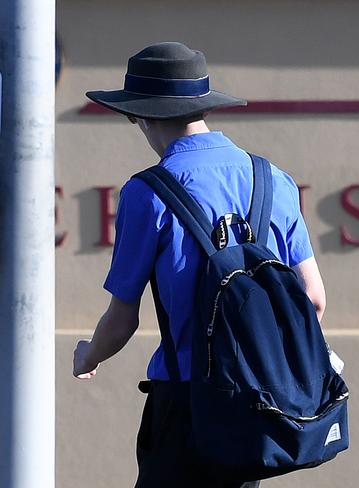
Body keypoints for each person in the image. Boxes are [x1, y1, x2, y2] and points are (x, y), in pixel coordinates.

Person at [72, 42, 326, 488]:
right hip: (257, 405)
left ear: (144, 116)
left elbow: (122, 320)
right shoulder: (274, 180)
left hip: (183, 404)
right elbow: (313, 301)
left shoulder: (147, 192)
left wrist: (88, 355)